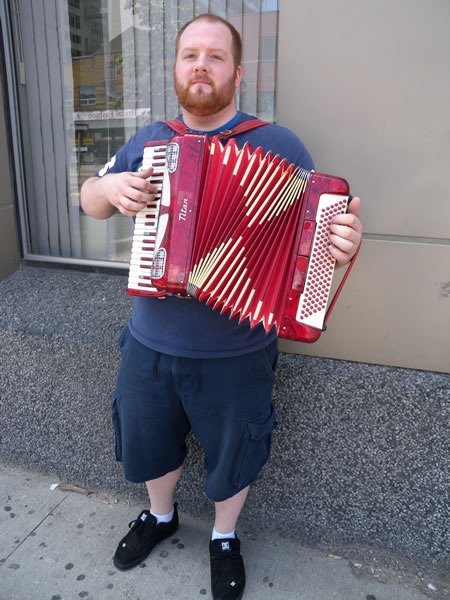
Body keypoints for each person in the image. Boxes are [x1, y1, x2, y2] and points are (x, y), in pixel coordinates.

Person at [80, 13, 362, 600]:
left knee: (236, 452)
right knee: (147, 442)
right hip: (151, 342)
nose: (200, 65)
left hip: (239, 352)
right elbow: (91, 201)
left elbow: (312, 238)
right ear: (176, 68)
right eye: (189, 55)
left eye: (214, 56)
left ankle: (224, 537)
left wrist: (340, 244)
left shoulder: (278, 145)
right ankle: (161, 518)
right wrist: (106, 189)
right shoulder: (149, 141)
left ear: (236, 73)